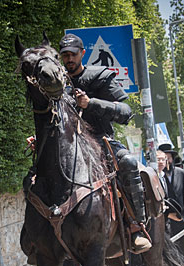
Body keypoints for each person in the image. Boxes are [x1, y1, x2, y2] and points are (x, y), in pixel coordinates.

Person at [59, 33, 151, 253]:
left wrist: (91, 103)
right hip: (69, 145)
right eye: (65, 55)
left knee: (128, 163)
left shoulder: (100, 76)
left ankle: (136, 226)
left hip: (101, 142)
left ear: (82, 54)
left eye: (73, 54)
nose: (69, 59)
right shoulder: (57, 81)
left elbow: (126, 112)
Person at [158, 144, 184, 259]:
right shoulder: (157, 175)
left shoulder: (180, 172)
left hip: (180, 215)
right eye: (163, 158)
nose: (166, 161)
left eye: (168, 158)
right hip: (166, 218)